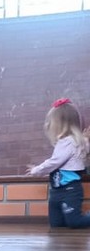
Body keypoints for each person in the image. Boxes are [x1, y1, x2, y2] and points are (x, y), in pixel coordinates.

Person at [26, 98, 90, 229]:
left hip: (70, 190)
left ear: (61, 124)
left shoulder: (69, 142)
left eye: (51, 122)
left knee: (75, 222)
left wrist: (37, 170)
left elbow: (55, 162)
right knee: (56, 224)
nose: (48, 125)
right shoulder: (68, 142)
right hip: (56, 191)